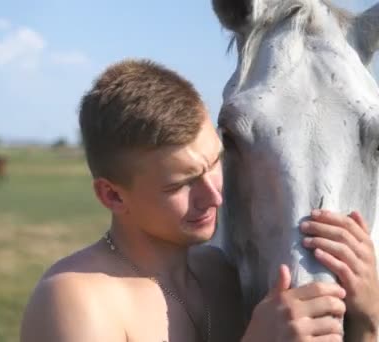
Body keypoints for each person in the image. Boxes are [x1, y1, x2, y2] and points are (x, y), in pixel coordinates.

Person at [20, 59, 379, 341]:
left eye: (215, 162)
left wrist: (369, 318)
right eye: (181, 184)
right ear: (112, 195)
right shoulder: (77, 300)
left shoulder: (223, 275)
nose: (214, 195)